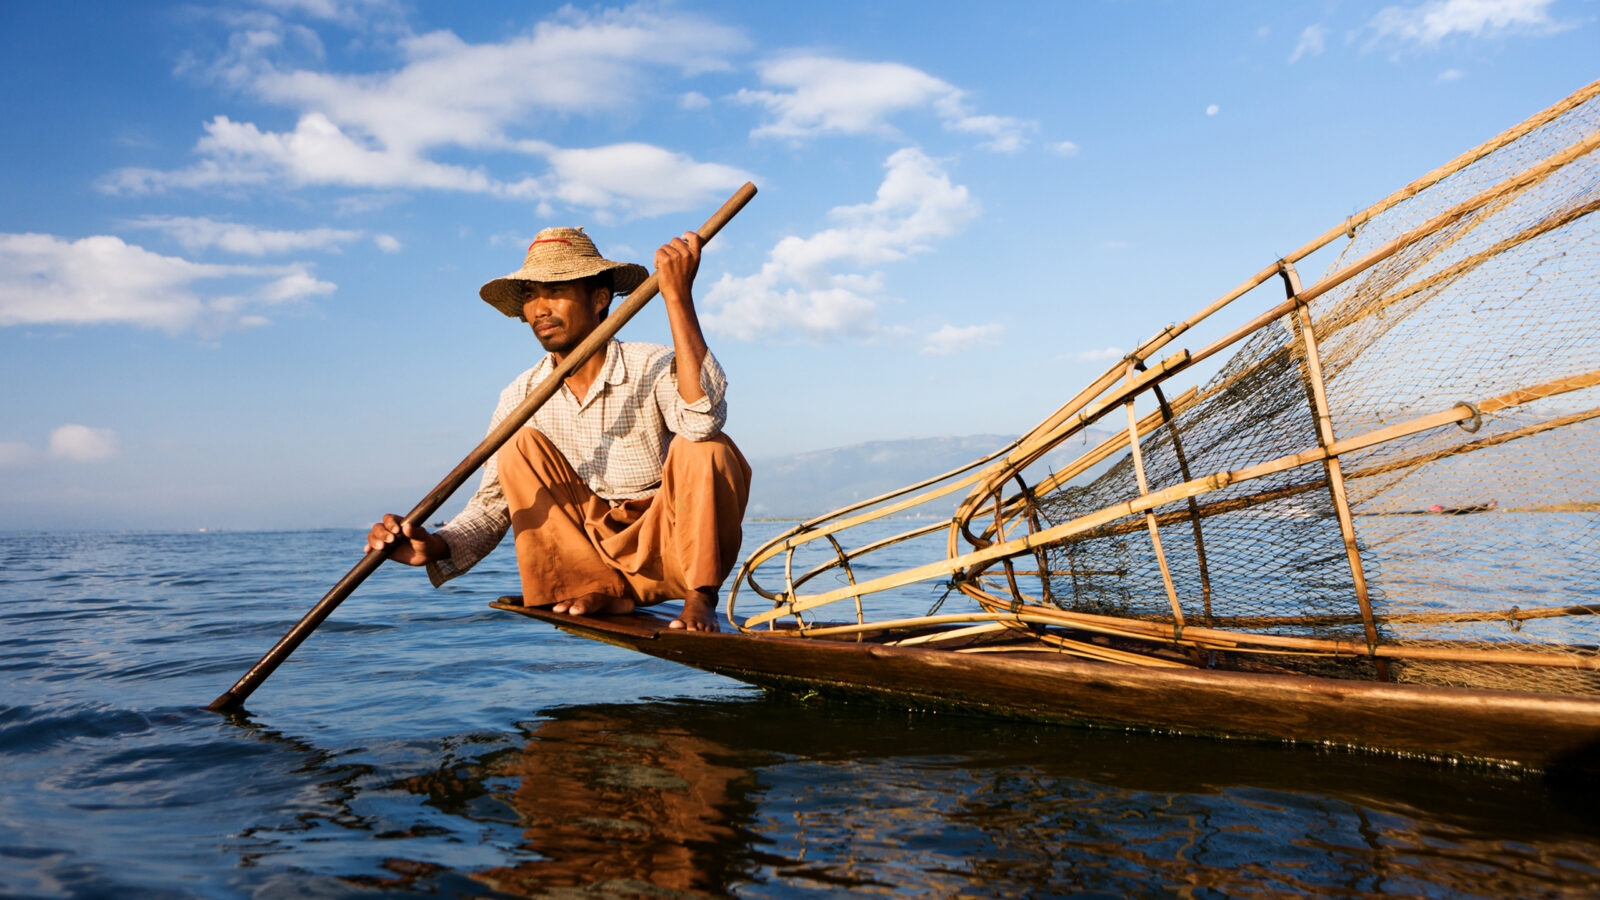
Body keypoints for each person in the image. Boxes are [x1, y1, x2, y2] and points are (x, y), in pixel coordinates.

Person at [365, 227, 751, 631]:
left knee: (707, 447)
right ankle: (601, 589)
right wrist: (434, 545)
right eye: (530, 294)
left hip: (674, 552)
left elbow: (702, 419)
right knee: (519, 445)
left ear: (600, 298)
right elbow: (491, 506)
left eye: (554, 291)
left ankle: (700, 598)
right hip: (597, 568)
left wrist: (678, 297)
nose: (538, 309)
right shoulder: (521, 396)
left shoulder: (650, 364)